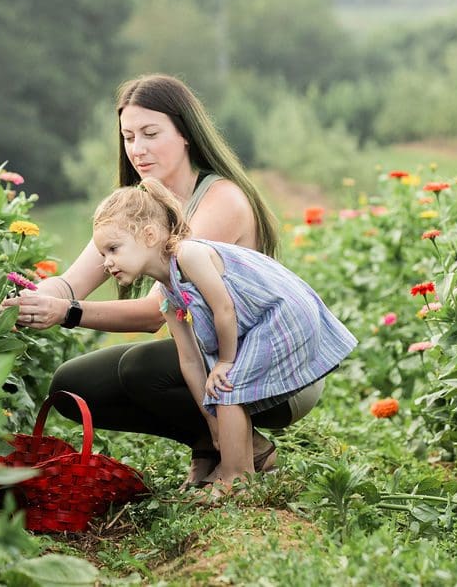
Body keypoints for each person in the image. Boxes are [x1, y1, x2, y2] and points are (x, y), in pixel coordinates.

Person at [1, 73, 321, 485]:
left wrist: (67, 313)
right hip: (213, 357)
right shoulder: (139, 209)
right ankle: (211, 444)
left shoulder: (220, 199)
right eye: (129, 137)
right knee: (73, 384)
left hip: (269, 365)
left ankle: (245, 455)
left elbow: (156, 311)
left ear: (185, 133)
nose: (138, 149)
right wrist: (32, 297)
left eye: (151, 133)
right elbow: (70, 283)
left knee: (139, 368)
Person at [90, 178, 356, 492]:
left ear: (148, 235)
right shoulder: (166, 292)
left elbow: (224, 309)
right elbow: (190, 360)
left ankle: (235, 478)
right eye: (103, 253)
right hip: (260, 324)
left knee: (228, 382)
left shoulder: (189, 255)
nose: (107, 262)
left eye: (113, 249)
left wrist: (226, 361)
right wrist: (210, 419)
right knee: (221, 390)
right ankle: (240, 472)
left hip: (282, 313)